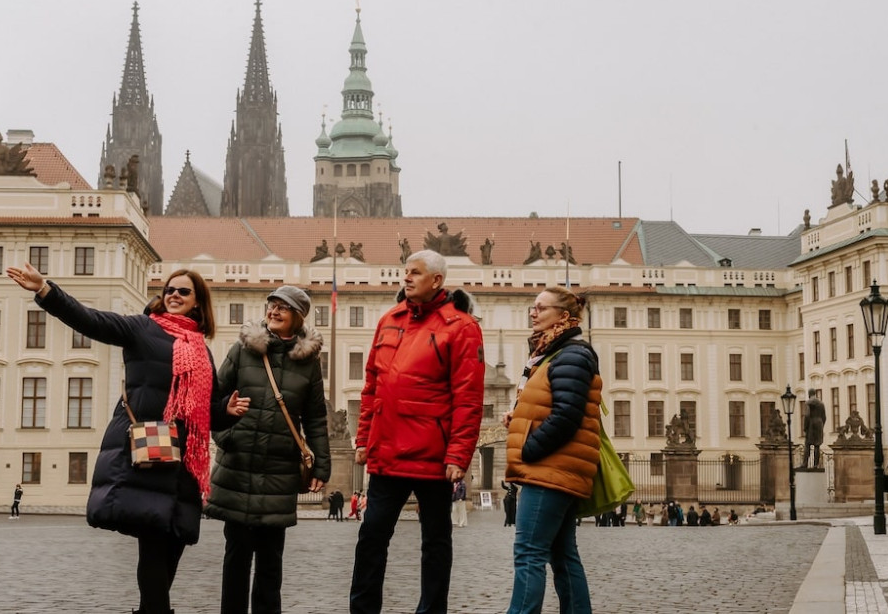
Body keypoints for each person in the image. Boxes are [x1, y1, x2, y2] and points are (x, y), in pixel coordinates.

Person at [7, 263, 247, 614]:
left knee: (174, 543)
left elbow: (205, 414)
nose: (174, 295)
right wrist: (46, 290)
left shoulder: (201, 350)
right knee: (152, 544)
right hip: (149, 452)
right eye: (169, 290)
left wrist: (228, 408)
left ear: (197, 302)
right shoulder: (142, 328)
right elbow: (91, 320)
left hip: (183, 462)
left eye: (183, 291)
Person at [350, 250, 485, 614]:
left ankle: (431, 610)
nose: (406, 278)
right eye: (405, 272)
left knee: (435, 541)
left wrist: (459, 455)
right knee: (371, 536)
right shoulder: (389, 319)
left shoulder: (461, 327)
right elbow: (372, 387)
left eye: (415, 273)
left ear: (437, 280)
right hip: (386, 451)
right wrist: (363, 438)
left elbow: (469, 399)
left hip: (433, 454)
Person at [205, 285, 331, 613]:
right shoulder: (242, 350)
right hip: (239, 466)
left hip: (278, 470)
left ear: (297, 317)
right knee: (235, 559)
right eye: (271, 305)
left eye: (282, 308)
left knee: (270, 563)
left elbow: (316, 417)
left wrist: (321, 465)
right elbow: (214, 400)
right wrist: (226, 434)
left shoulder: (308, 363)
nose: (274, 312)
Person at [503, 286, 601, 614]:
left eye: (541, 308)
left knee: (529, 553)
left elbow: (567, 414)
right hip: (558, 467)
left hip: (550, 469)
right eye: (533, 307)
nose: (533, 312)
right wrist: (520, 417)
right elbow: (553, 405)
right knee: (562, 554)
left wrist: (530, 449)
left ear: (563, 316)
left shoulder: (571, 353)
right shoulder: (552, 354)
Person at [803, 389, 826, 468]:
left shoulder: (808, 403)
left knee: (807, 444)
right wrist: (822, 425)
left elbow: (807, 415)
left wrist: (805, 427)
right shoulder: (821, 404)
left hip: (811, 424)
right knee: (817, 445)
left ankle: (805, 463)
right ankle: (816, 464)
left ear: (809, 394)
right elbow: (824, 417)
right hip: (819, 423)